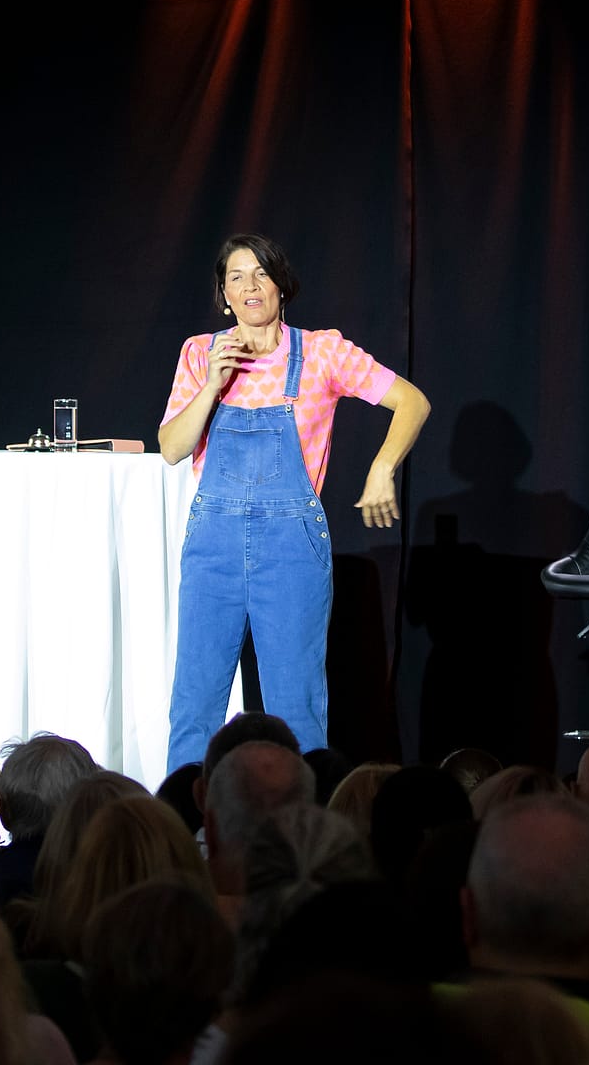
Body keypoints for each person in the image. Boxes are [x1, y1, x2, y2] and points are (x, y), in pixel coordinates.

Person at [159, 233, 430, 768]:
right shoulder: (199, 353)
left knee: (296, 706)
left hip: (290, 551)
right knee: (195, 702)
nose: (250, 286)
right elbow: (171, 448)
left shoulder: (322, 352)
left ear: (281, 285)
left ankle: (304, 814)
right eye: (236, 277)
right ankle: (185, 815)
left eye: (261, 273)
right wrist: (211, 385)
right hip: (213, 546)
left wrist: (382, 468)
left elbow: (412, 402)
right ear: (224, 295)